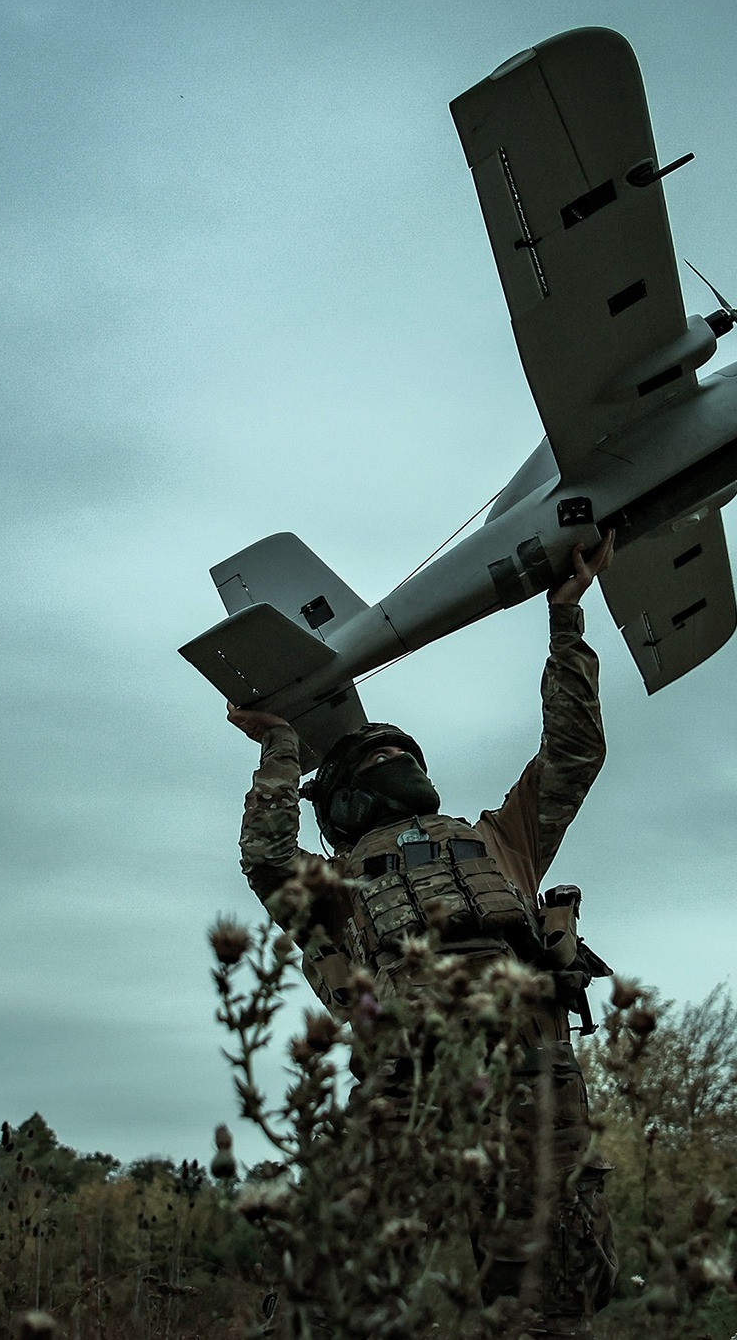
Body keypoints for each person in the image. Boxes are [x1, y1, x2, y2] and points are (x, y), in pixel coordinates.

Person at [228, 533, 618, 1338]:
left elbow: (574, 752)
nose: (389, 757)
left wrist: (566, 619)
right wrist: (279, 748)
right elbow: (266, 858)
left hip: (528, 1078)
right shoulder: (332, 887)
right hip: (409, 1085)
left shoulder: (500, 837)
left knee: (548, 1293)